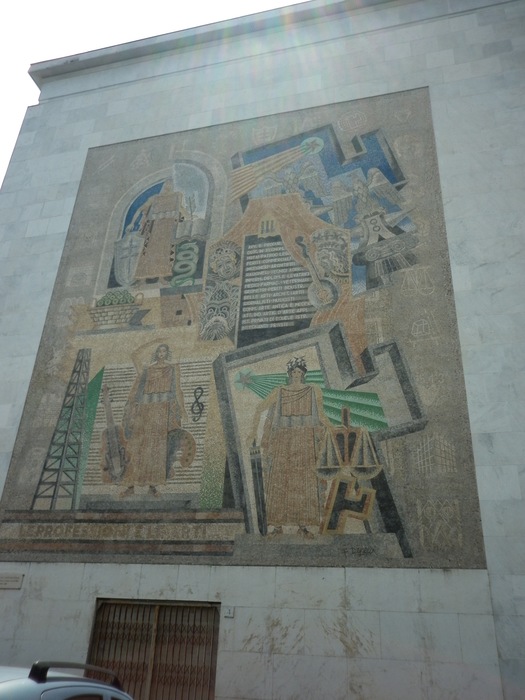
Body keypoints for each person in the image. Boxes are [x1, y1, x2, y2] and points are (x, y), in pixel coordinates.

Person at [248, 357, 333, 537]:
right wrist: (252, 432)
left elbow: (321, 415)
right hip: (283, 441)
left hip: (305, 442)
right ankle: (277, 526)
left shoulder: (313, 390)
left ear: (303, 374)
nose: (296, 375)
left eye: (299, 372)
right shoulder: (279, 391)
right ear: (289, 374)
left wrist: (334, 428)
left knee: (304, 482)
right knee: (280, 480)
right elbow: (259, 408)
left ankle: (303, 526)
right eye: (293, 372)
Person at [121, 343, 194, 496]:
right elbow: (134, 355)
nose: (161, 353)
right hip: (145, 411)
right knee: (138, 447)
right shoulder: (148, 369)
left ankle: (152, 486)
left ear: (167, 353)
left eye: (164, 351)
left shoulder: (172, 368)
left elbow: (177, 390)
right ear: (156, 353)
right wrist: (153, 341)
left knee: (157, 449)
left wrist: (182, 410)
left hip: (161, 411)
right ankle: (131, 486)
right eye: (159, 351)